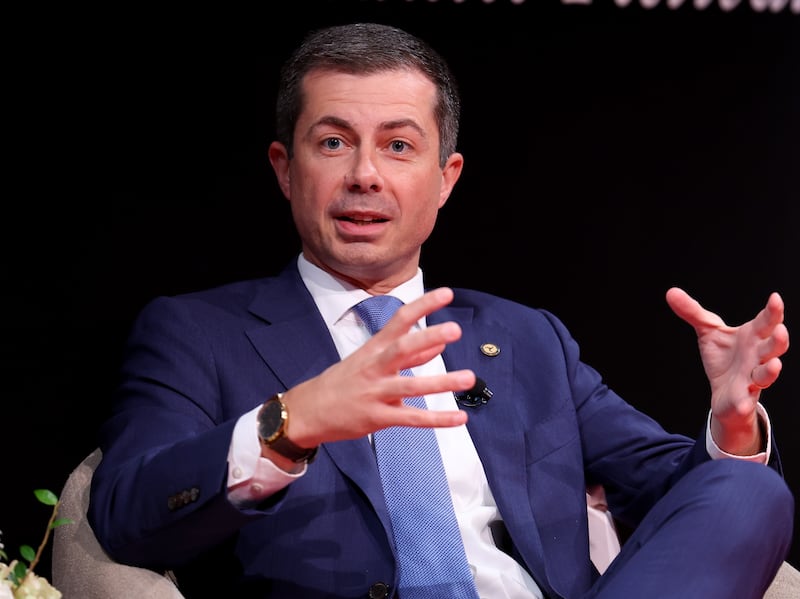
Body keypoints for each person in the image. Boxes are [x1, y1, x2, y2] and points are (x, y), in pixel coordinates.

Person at [88, 22, 793, 599]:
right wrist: (293, 420)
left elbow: (682, 504)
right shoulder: (197, 332)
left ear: (445, 178)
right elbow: (126, 516)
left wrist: (732, 424)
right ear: (284, 168)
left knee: (747, 487)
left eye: (398, 146)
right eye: (333, 142)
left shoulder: (526, 338)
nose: (364, 173)